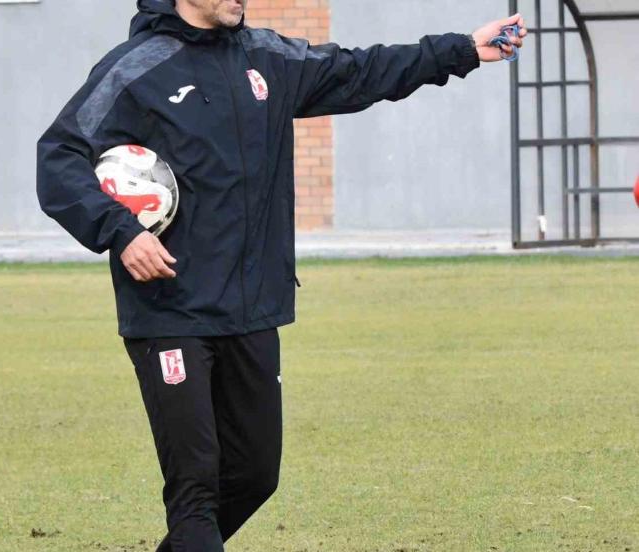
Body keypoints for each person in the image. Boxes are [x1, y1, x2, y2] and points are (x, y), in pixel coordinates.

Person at [36, 1, 527, 550]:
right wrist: (122, 232)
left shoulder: (267, 57)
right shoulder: (135, 68)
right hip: (169, 310)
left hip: (251, 310)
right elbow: (59, 156)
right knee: (195, 493)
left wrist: (463, 50)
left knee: (254, 476)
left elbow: (362, 71)